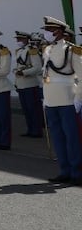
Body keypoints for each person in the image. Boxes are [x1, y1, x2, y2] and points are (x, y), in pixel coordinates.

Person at [40, 16, 82, 185]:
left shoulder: (73, 50)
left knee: (72, 138)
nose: (46, 33)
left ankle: (76, 172)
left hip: (67, 99)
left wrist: (78, 99)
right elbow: (46, 75)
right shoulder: (47, 50)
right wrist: (45, 97)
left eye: (49, 30)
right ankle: (64, 170)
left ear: (58, 31)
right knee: (58, 138)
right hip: (51, 100)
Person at [12, 31, 45, 139]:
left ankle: (36, 130)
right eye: (17, 39)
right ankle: (30, 129)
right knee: (26, 109)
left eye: (20, 39)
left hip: (30, 84)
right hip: (21, 84)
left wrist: (24, 72)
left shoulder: (32, 50)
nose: (18, 41)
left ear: (27, 40)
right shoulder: (18, 51)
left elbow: (37, 67)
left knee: (33, 108)